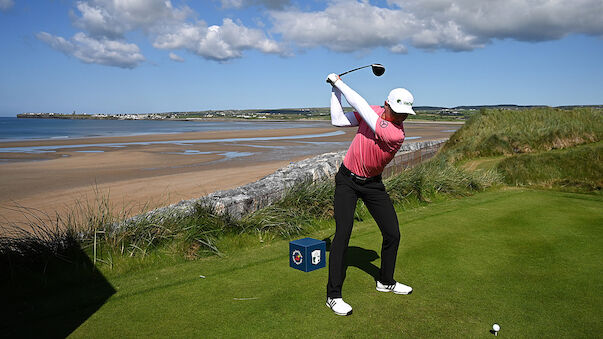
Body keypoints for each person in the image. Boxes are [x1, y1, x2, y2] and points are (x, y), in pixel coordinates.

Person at [325, 73, 414, 316]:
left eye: (404, 113)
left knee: (392, 233)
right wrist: (335, 91)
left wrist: (339, 83)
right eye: (397, 111)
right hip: (347, 181)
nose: (400, 117)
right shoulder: (373, 112)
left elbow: (362, 106)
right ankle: (333, 296)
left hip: (373, 184)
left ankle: (385, 281)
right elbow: (338, 120)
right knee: (342, 234)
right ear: (386, 105)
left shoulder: (395, 134)